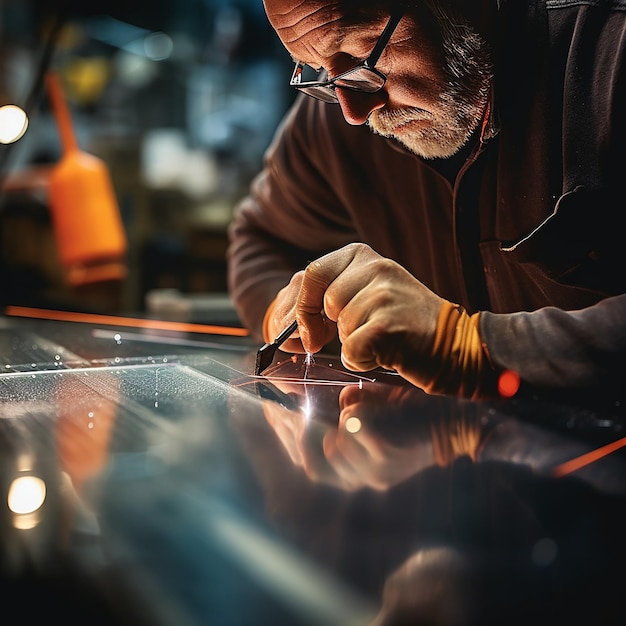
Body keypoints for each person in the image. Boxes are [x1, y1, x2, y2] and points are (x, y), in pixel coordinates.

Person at [226, 0, 626, 402]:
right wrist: (286, 310)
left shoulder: (609, 49)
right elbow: (260, 242)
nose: (355, 113)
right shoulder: (332, 119)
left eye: (364, 54)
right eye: (315, 69)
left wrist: (476, 347)